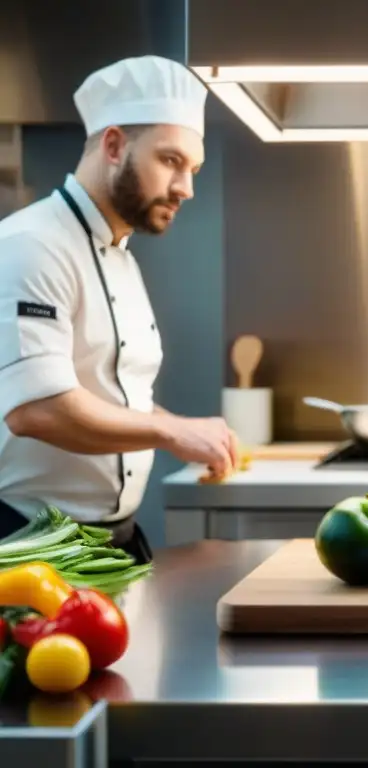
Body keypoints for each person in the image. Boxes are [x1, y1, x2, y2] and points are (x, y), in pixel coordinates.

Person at [0, 55, 241, 564]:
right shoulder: (31, 245)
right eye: (171, 161)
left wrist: (183, 430)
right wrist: (172, 431)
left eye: (193, 169)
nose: (186, 188)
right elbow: (36, 409)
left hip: (114, 543)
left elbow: (105, 391)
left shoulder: (121, 256)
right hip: (31, 546)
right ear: (113, 145)